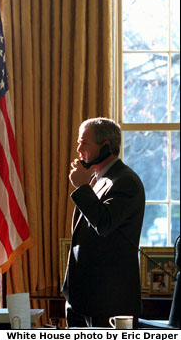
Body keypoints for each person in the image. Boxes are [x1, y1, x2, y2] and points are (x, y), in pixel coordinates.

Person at [62, 117, 145, 328]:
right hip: (83, 297)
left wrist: (81, 188)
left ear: (106, 147)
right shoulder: (98, 179)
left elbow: (105, 223)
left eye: (85, 143)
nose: (79, 149)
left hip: (109, 300)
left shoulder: (125, 181)